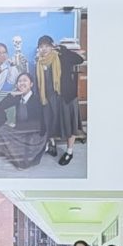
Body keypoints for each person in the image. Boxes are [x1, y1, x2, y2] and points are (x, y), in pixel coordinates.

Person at [34, 35, 84, 166]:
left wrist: (63, 49)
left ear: (52, 46)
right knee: (50, 123)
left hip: (65, 97)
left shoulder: (61, 56)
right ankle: (52, 145)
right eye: (41, 46)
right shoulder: (39, 62)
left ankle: (69, 151)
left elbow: (79, 59)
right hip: (49, 99)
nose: (44, 49)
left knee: (70, 125)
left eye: (47, 46)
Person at [0, 73, 47, 170]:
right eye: (19, 81)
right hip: (21, 132)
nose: (22, 83)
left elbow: (37, 126)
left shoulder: (36, 100)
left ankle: (23, 155)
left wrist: (14, 128)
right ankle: (15, 149)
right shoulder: (18, 97)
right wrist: (11, 95)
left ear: (31, 84)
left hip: (34, 136)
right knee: (2, 130)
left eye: (25, 80)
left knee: (22, 160)